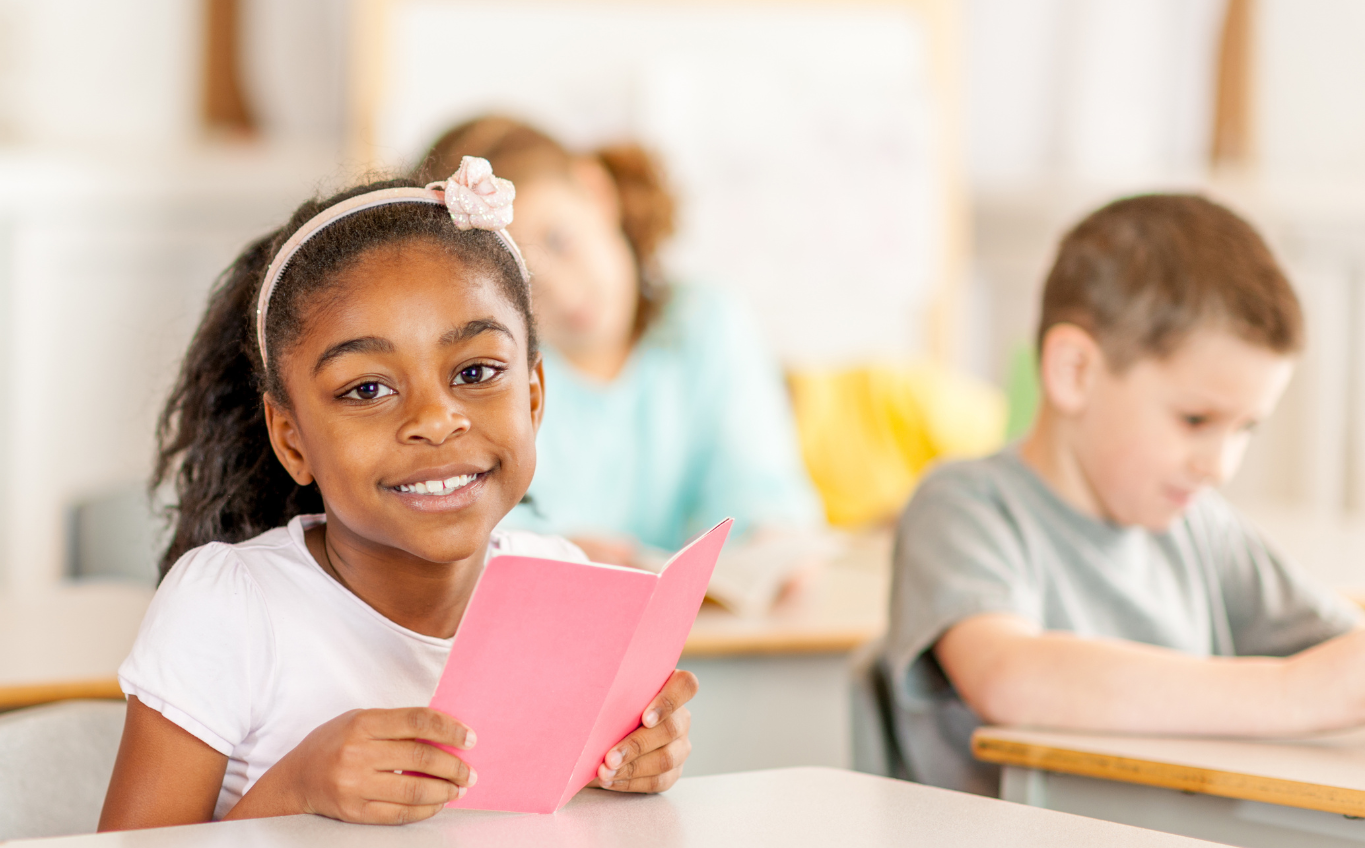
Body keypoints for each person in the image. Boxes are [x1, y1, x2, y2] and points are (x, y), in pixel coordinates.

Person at [100, 158, 698, 829]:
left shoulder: (563, 584)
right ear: (292, 439)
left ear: (532, 397)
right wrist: (296, 790)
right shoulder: (230, 606)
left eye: (476, 371)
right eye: (367, 389)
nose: (437, 419)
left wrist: (626, 770)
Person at [885, 194, 1365, 796]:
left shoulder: (1200, 526)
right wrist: (1295, 693)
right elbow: (1011, 677)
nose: (1220, 464)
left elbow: (1342, 657)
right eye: (1196, 420)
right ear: (1074, 372)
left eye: (1246, 428)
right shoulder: (965, 507)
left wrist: (1326, 681)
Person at [418, 117, 820, 565]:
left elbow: (760, 490)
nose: (566, 295)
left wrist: (771, 536)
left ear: (596, 192)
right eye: (523, 282)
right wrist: (554, 551)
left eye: (561, 240)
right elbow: (466, 527)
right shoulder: (488, 377)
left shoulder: (706, 323)